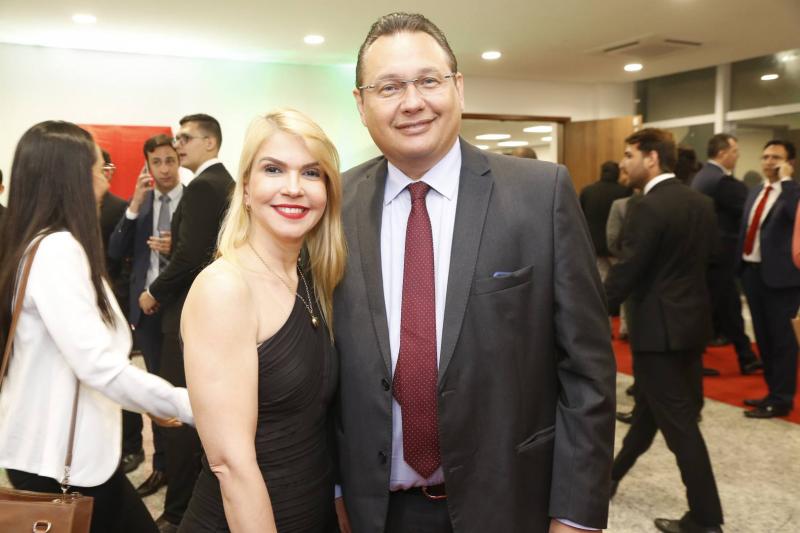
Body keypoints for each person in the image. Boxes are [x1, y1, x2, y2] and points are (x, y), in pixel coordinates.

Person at [334, 12, 615, 533]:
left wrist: (576, 515)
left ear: (458, 87)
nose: (412, 102)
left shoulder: (541, 194)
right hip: (373, 511)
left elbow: (587, 371)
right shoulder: (332, 206)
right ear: (361, 103)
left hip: (509, 503)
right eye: (389, 87)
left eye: (428, 80)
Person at [0, 120, 193, 533]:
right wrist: (182, 403)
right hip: (60, 460)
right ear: (69, 178)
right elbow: (98, 365)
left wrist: (149, 401)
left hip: (63, 453)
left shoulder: (44, 243)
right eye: (98, 168)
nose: (106, 177)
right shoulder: (57, 250)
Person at [177, 109, 346, 532]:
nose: (294, 188)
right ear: (247, 189)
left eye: (311, 173)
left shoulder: (310, 278)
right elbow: (230, 465)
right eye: (274, 169)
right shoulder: (225, 288)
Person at [605, 128, 723, 533]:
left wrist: (588, 310)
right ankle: (610, 478)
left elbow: (628, 270)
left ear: (651, 158)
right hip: (690, 327)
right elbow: (714, 263)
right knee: (650, 413)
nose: (625, 163)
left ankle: (706, 519)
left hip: (657, 332)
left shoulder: (647, 206)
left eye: (629, 155)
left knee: (680, 426)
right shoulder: (700, 203)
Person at [139, 114, 234, 532]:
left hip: (186, 314)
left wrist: (153, 291)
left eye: (186, 138)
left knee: (177, 415)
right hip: (212, 313)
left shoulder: (202, 186)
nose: (178, 144)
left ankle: (178, 511)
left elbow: (191, 255)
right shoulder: (224, 183)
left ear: (210, 143)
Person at [108, 134, 185, 497]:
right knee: (156, 390)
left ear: (179, 160)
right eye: (157, 162)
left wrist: (175, 247)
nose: (165, 169)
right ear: (148, 166)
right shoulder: (143, 203)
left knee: (184, 389)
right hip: (146, 310)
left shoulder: (194, 199)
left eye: (170, 160)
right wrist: (135, 204)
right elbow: (115, 249)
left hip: (182, 308)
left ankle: (186, 468)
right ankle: (162, 466)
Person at [739, 140, 800, 419]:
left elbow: (793, 215)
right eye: (765, 156)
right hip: (752, 274)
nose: (768, 162)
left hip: (782, 280)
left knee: (782, 342)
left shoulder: (793, 193)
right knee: (762, 338)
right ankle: (772, 392)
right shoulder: (755, 191)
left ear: (790, 163)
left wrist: (787, 181)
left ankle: (782, 398)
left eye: (776, 157)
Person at [691, 134, 761, 374]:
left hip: (706, 254)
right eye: (734, 151)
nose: (737, 155)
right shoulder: (722, 182)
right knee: (729, 307)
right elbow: (749, 213)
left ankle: (699, 359)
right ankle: (746, 357)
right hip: (721, 255)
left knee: (710, 308)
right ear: (722, 153)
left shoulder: (702, 176)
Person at [580, 160, 630, 282]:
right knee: (618, 280)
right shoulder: (625, 191)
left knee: (599, 280)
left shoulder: (587, 191)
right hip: (617, 247)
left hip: (594, 246)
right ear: (617, 173)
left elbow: (579, 218)